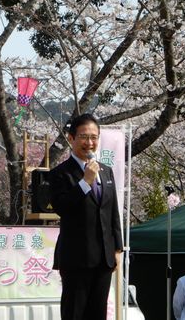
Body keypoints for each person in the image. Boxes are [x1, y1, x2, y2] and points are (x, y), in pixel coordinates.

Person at [49, 113, 123, 320]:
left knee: (98, 314)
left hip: (104, 259)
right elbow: (62, 208)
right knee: (75, 313)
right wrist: (85, 182)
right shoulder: (60, 173)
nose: (89, 142)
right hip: (76, 259)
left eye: (94, 137)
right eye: (83, 137)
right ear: (71, 138)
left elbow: (112, 212)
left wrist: (117, 247)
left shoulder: (106, 171)